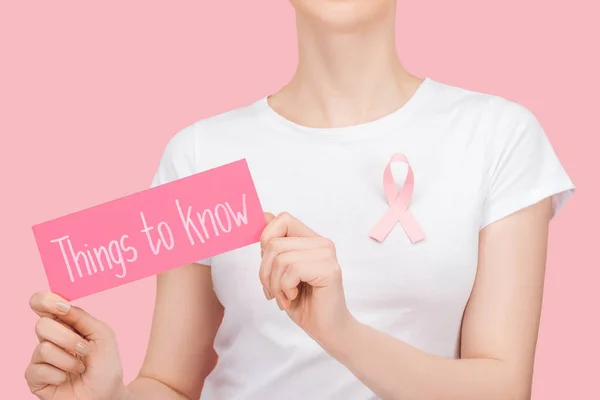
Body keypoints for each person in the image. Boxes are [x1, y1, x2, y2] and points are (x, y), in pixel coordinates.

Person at [25, 1, 575, 399]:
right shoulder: (204, 151)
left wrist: (340, 333)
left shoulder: (495, 135)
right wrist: (110, 399)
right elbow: (169, 383)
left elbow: (503, 389)